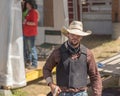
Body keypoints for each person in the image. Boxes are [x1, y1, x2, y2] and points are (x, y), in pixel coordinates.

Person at [43, 21, 102, 96]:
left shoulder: (87, 53)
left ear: (81, 37)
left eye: (78, 35)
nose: (75, 37)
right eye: (73, 34)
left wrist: (97, 94)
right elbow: (46, 69)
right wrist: (51, 84)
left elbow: (95, 75)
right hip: (63, 93)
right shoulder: (58, 52)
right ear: (68, 34)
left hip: (81, 93)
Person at [23, 0, 39, 69]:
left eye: (27, 4)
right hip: (26, 33)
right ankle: (28, 62)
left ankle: (34, 64)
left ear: (30, 4)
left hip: (31, 33)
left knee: (32, 48)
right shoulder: (28, 12)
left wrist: (26, 22)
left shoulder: (34, 12)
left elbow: (34, 23)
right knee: (26, 49)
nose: (26, 5)